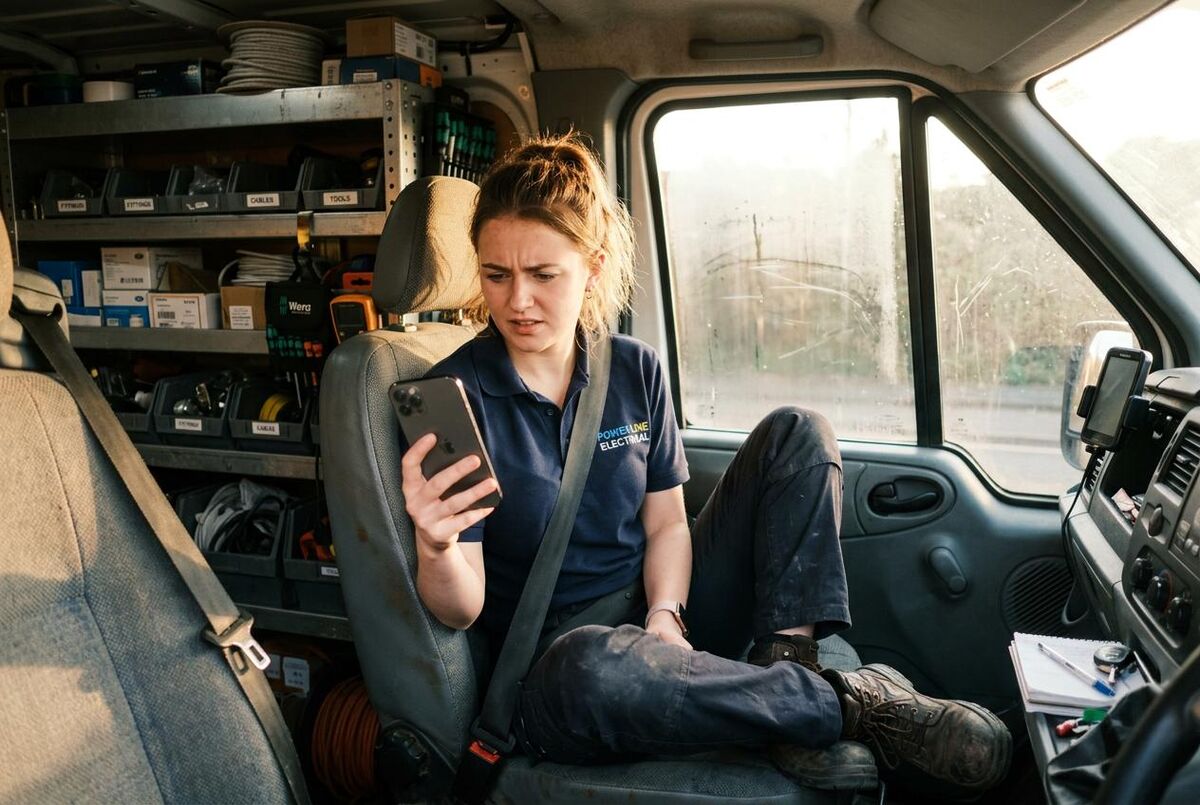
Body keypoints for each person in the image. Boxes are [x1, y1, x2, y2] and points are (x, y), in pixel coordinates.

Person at [400, 132, 1012, 797]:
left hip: (657, 614)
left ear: (593, 267)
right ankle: (844, 703)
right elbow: (463, 607)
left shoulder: (633, 370)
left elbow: (666, 523)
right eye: (496, 274)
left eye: (543, 275)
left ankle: (788, 665)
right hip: (561, 663)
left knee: (798, 432)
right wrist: (435, 546)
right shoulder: (452, 398)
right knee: (589, 667)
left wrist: (666, 614)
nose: (517, 300)